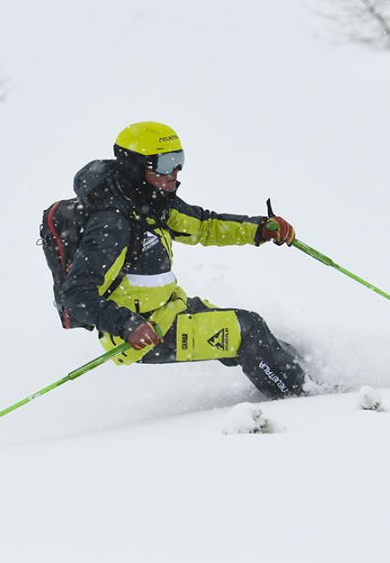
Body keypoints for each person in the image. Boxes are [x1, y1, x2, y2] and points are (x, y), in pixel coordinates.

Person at [49, 121, 308, 397]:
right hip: (142, 334)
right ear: (137, 166)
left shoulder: (152, 202)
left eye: (178, 161)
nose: (175, 172)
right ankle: (303, 402)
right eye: (165, 163)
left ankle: (309, 381)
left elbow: (205, 226)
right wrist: (127, 324)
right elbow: (76, 295)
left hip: (170, 310)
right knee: (248, 332)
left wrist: (259, 229)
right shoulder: (112, 224)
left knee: (269, 342)